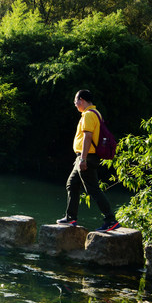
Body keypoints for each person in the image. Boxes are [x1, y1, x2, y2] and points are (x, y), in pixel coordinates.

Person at [57, 89, 120, 232]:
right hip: (82, 157)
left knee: (93, 190)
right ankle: (70, 217)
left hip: (87, 157)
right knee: (71, 184)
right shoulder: (94, 113)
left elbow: (88, 137)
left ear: (82, 100)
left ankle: (111, 220)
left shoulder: (89, 115)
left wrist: (83, 159)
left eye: (75, 101)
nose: (75, 104)